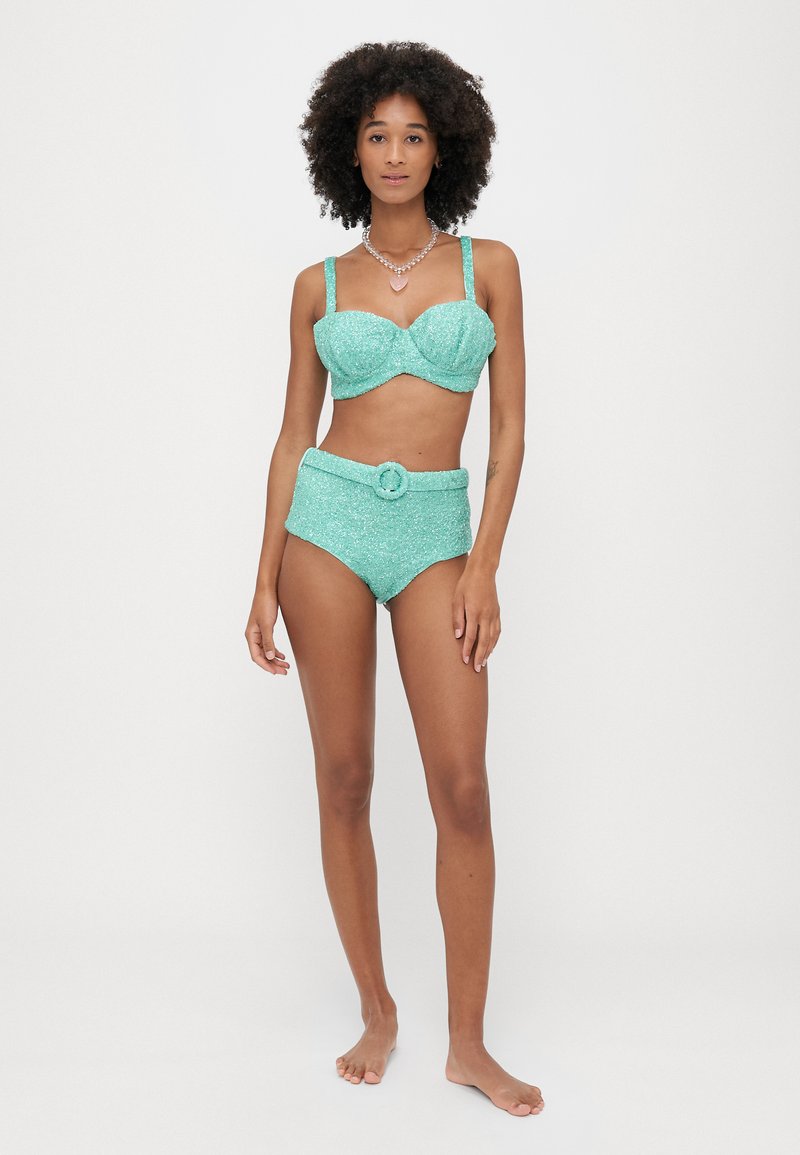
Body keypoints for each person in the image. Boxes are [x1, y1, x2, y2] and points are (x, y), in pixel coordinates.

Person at [245, 40, 544, 1118]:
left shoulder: (489, 267)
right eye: (376, 135)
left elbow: (509, 433)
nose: (395, 152)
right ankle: (377, 1008)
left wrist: (485, 566)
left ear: (444, 148)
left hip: (435, 532)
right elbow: (292, 437)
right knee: (345, 776)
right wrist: (262, 575)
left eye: (414, 134)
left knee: (461, 786)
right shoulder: (318, 286)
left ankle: (467, 1044)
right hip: (323, 525)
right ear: (349, 150)